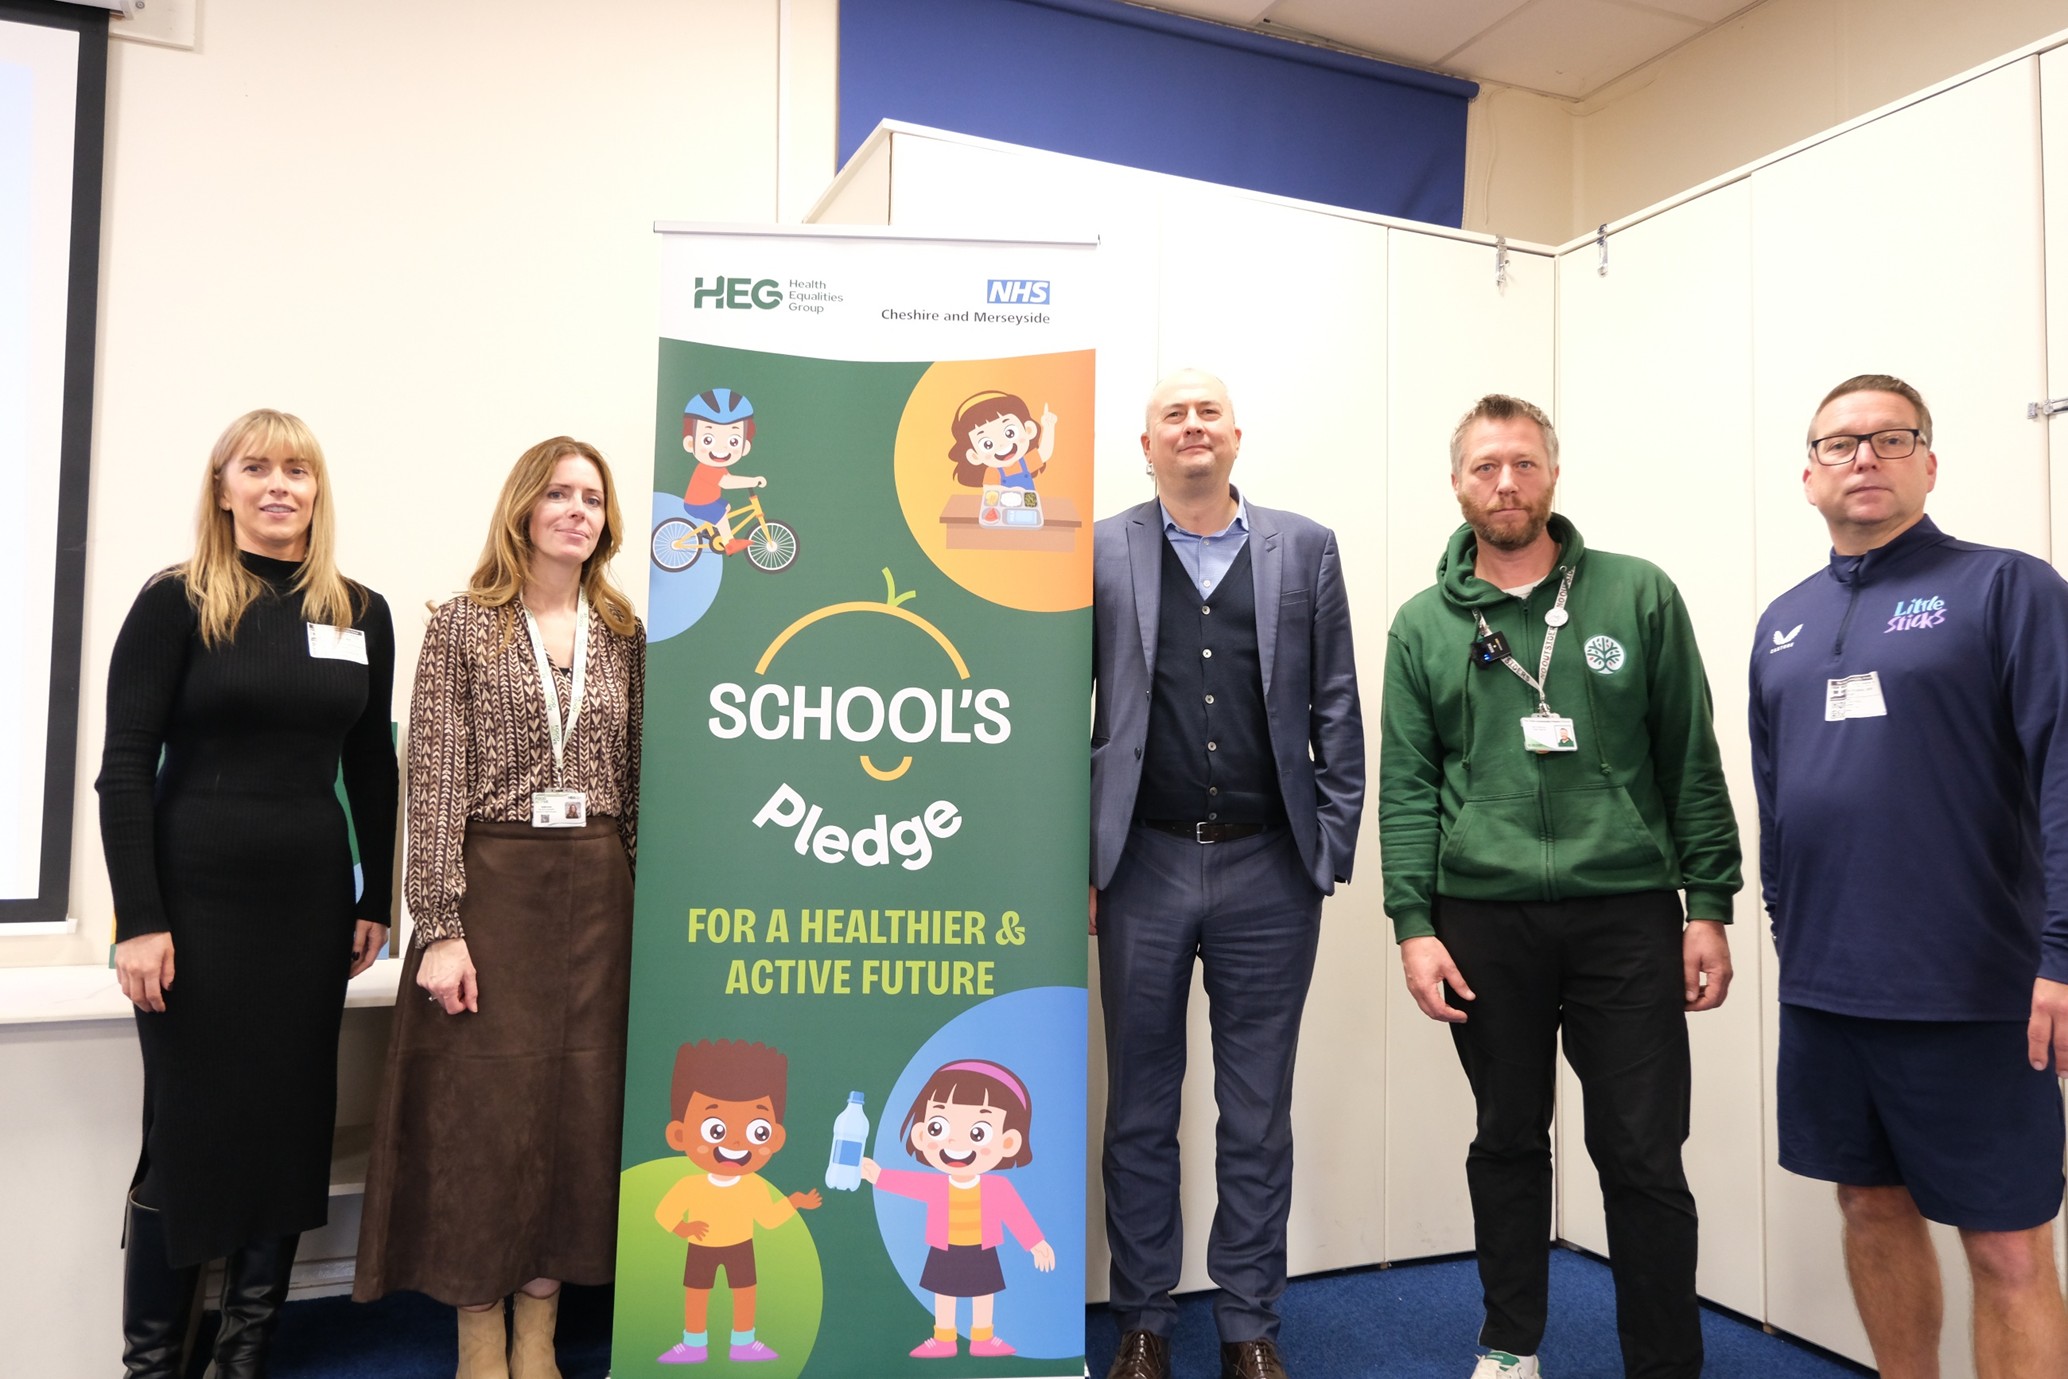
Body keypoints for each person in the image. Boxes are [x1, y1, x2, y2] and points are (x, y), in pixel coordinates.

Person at [1380, 394, 1739, 1379]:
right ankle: (1509, 1344)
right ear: (1457, 482)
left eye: (1524, 463)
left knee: (1641, 1149)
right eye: (1486, 466)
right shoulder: (1422, 623)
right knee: (1505, 1135)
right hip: (1482, 918)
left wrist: (1708, 903)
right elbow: (1407, 786)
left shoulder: (1637, 593)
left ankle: (1664, 1362)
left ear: (1552, 473)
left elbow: (1691, 759)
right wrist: (1412, 921)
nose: (1506, 482)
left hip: (1626, 911)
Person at [1750, 374, 2068, 1379]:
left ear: (1929, 463)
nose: (1864, 458)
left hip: (1977, 991)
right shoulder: (1783, 622)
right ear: (1807, 475)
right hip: (1828, 990)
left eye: (1892, 438)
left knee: (2007, 1246)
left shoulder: (2008, 589)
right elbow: (1774, 797)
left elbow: (2063, 772)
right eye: (1839, 443)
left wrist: (2061, 953)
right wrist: (1787, 931)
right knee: (1868, 1204)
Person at [98, 408, 397, 1379]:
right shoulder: (176, 600)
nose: (278, 485)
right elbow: (125, 765)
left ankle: (243, 1355)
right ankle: (154, 1363)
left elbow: (372, 764)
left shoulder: (360, 610)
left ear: (317, 488)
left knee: (289, 1124)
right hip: (193, 906)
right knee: (187, 1132)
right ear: (222, 489)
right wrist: (140, 919)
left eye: (296, 470)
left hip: (309, 905)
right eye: (256, 468)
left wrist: (377, 898)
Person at [1089, 369, 1364, 1379]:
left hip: (1270, 867)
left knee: (1255, 1112)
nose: (1192, 425)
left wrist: (1327, 845)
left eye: (1209, 411)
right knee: (1139, 1109)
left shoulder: (1306, 547)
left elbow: (1336, 702)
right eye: (1174, 413)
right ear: (1147, 444)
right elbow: (1067, 707)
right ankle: (1143, 1322)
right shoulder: (1098, 549)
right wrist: (1083, 859)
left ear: (1237, 436)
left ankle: (1249, 1322)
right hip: (1143, 864)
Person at [353, 437, 645, 1379]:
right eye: (557, 493)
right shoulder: (463, 627)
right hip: (494, 894)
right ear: (522, 507)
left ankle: (539, 1338)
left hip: (599, 898)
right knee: (482, 1119)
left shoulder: (625, 632)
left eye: (591, 497)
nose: (576, 510)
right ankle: (480, 1341)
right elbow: (432, 781)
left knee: (576, 1115)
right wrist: (438, 927)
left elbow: (640, 781)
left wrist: (646, 904)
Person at [861, 1058, 1057, 1360]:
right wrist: (879, 1176)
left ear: (1008, 1142)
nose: (955, 1142)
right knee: (944, 1293)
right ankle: (944, 1338)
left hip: (982, 1248)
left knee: (984, 1293)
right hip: (945, 1247)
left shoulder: (997, 1188)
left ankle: (983, 1337)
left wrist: (1036, 1243)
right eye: (938, 1127)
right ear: (921, 1134)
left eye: (978, 1132)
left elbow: (1017, 1215)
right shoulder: (936, 1186)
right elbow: (909, 1184)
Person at [652, 1039, 821, 1365]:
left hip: (741, 1245)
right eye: (715, 1129)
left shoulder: (754, 1187)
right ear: (679, 1135)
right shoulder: (690, 1185)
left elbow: (768, 1218)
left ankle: (743, 1341)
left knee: (745, 1293)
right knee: (696, 1294)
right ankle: (693, 1343)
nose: (735, 1141)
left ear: (775, 1138)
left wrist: (793, 1202)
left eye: (758, 1131)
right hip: (701, 1247)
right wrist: (684, 1228)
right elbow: (664, 1213)